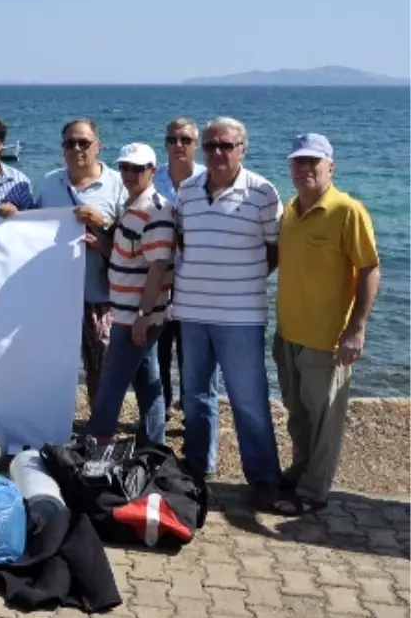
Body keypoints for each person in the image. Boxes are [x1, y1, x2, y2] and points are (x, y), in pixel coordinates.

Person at [172, 117, 282, 507]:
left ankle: (265, 478)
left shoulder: (263, 193)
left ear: (242, 150)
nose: (218, 152)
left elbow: (276, 249)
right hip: (192, 310)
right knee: (196, 395)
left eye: (227, 146)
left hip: (241, 315)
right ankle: (198, 467)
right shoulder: (186, 191)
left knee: (248, 398)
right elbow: (184, 240)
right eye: (211, 145)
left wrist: (244, 278)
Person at [273, 133, 380, 515]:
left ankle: (314, 492)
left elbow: (369, 267)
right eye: (298, 162)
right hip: (288, 334)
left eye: (312, 162)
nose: (304, 169)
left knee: (324, 421)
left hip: (327, 340)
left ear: (330, 167)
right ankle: (301, 471)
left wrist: (357, 328)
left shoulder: (346, 210)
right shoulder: (290, 209)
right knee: (298, 415)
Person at [85, 144, 174, 446]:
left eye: (139, 168)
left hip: (136, 315)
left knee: (112, 385)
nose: (130, 174)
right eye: (125, 167)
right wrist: (102, 247)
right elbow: (134, 256)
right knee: (148, 384)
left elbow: (159, 267)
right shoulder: (132, 204)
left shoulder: (155, 210)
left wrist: (143, 317)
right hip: (127, 311)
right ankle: (153, 446)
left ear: (153, 170)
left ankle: (95, 445)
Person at [35, 118, 127, 405]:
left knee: (101, 367)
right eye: (70, 143)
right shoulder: (50, 184)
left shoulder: (117, 185)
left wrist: (103, 226)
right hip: (56, 297)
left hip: (99, 295)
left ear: (98, 146)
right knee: (51, 369)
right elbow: (31, 232)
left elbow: (134, 240)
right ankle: (51, 424)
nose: (77, 148)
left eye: (84, 143)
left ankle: (99, 432)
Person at [153, 117, 208, 413]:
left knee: (192, 358)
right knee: (157, 356)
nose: (178, 145)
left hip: (194, 285)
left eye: (185, 140)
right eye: (173, 140)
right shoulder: (152, 179)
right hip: (158, 284)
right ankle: (157, 418)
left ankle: (192, 418)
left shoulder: (208, 180)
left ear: (196, 145)